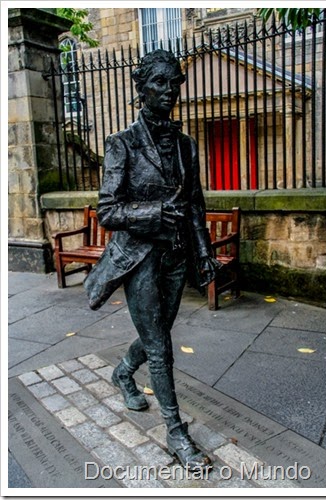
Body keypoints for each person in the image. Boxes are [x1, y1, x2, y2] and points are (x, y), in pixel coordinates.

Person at [84, 49, 220, 471]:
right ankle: (177, 433)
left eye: (173, 82)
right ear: (141, 88)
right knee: (161, 347)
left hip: (175, 256)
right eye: (158, 82)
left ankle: (124, 372)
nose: (168, 90)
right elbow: (108, 210)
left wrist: (203, 252)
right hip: (139, 257)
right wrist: (154, 213)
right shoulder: (121, 144)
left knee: (157, 332)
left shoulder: (186, 145)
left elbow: (195, 204)